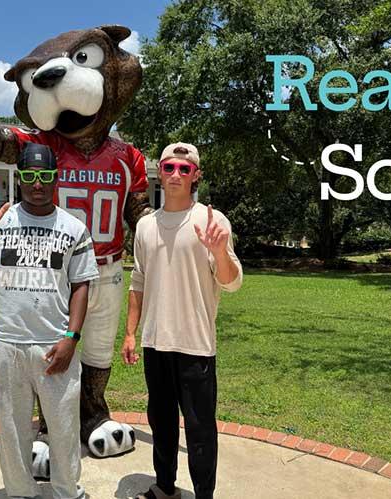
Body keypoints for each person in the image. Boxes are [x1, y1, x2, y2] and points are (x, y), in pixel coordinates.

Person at [0, 143, 97, 499]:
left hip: (54, 345)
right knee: (13, 431)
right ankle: (19, 492)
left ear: (56, 179)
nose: (37, 184)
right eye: (29, 176)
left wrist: (71, 338)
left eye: (45, 176)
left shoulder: (74, 229)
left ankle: (65, 491)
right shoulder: (0, 224)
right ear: (20, 178)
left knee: (62, 428)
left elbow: (81, 286)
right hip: (7, 344)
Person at [121, 142, 242, 499]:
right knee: (160, 422)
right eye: (170, 167)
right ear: (160, 171)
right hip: (155, 341)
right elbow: (138, 281)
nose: (176, 174)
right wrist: (130, 333)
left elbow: (231, 281)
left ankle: (204, 493)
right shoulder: (145, 226)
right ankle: (164, 486)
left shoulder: (211, 221)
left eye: (184, 169)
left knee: (200, 427)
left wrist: (219, 251)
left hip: (195, 343)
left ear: (195, 176)